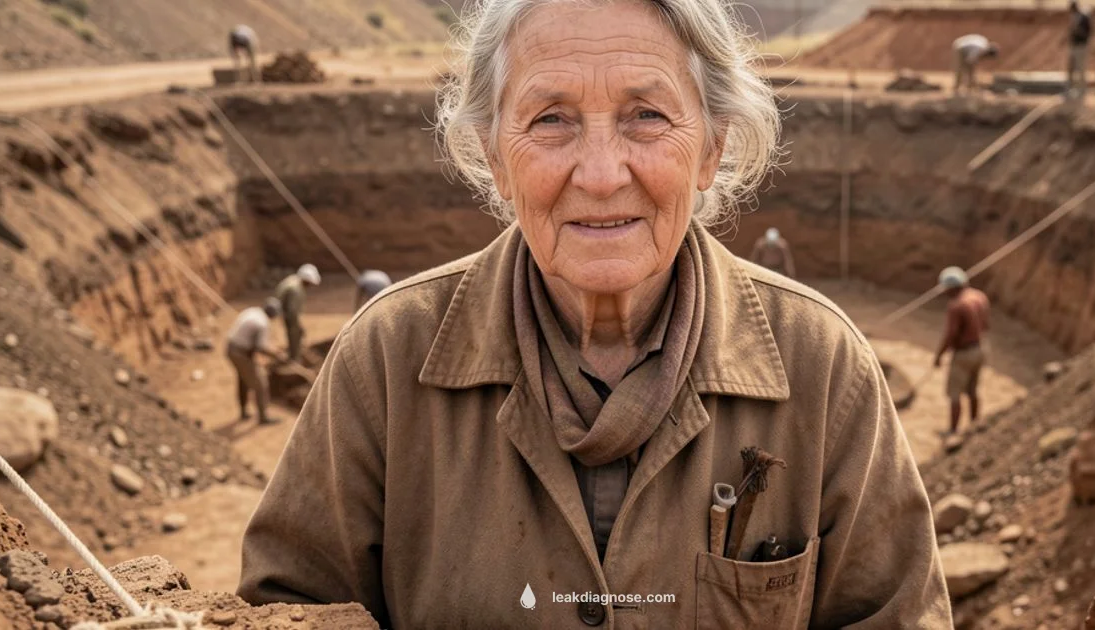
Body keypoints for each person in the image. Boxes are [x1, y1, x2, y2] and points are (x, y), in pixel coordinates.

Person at [238, 0, 952, 626]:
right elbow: (290, 608)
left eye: (647, 116)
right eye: (551, 120)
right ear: (494, 156)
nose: (603, 174)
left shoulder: (825, 369)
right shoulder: (384, 362)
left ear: (712, 148)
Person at [933, 267, 990, 436]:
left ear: (953, 287)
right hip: (981, 348)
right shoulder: (980, 297)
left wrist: (939, 355)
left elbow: (951, 334)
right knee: (973, 390)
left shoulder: (957, 305)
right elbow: (987, 325)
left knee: (955, 394)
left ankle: (953, 431)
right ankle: (974, 423)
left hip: (964, 353)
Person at [225, 298, 283, 424]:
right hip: (240, 352)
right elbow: (261, 347)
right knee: (261, 383)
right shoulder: (262, 323)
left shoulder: (252, 311)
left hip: (231, 347)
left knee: (243, 379)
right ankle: (263, 417)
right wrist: (277, 355)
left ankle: (243, 411)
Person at [275, 264, 320, 363]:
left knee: (294, 334)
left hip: (285, 311)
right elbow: (292, 311)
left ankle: (294, 355)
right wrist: (299, 326)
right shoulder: (296, 290)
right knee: (295, 334)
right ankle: (294, 359)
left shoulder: (293, 280)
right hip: (288, 315)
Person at [1067, 1, 1093, 102]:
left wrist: (1079, 31)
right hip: (1074, 46)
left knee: (1080, 68)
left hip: (1081, 46)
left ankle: (1082, 90)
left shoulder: (1084, 18)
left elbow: (1088, 32)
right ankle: (1071, 88)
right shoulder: (1074, 17)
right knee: (1071, 68)